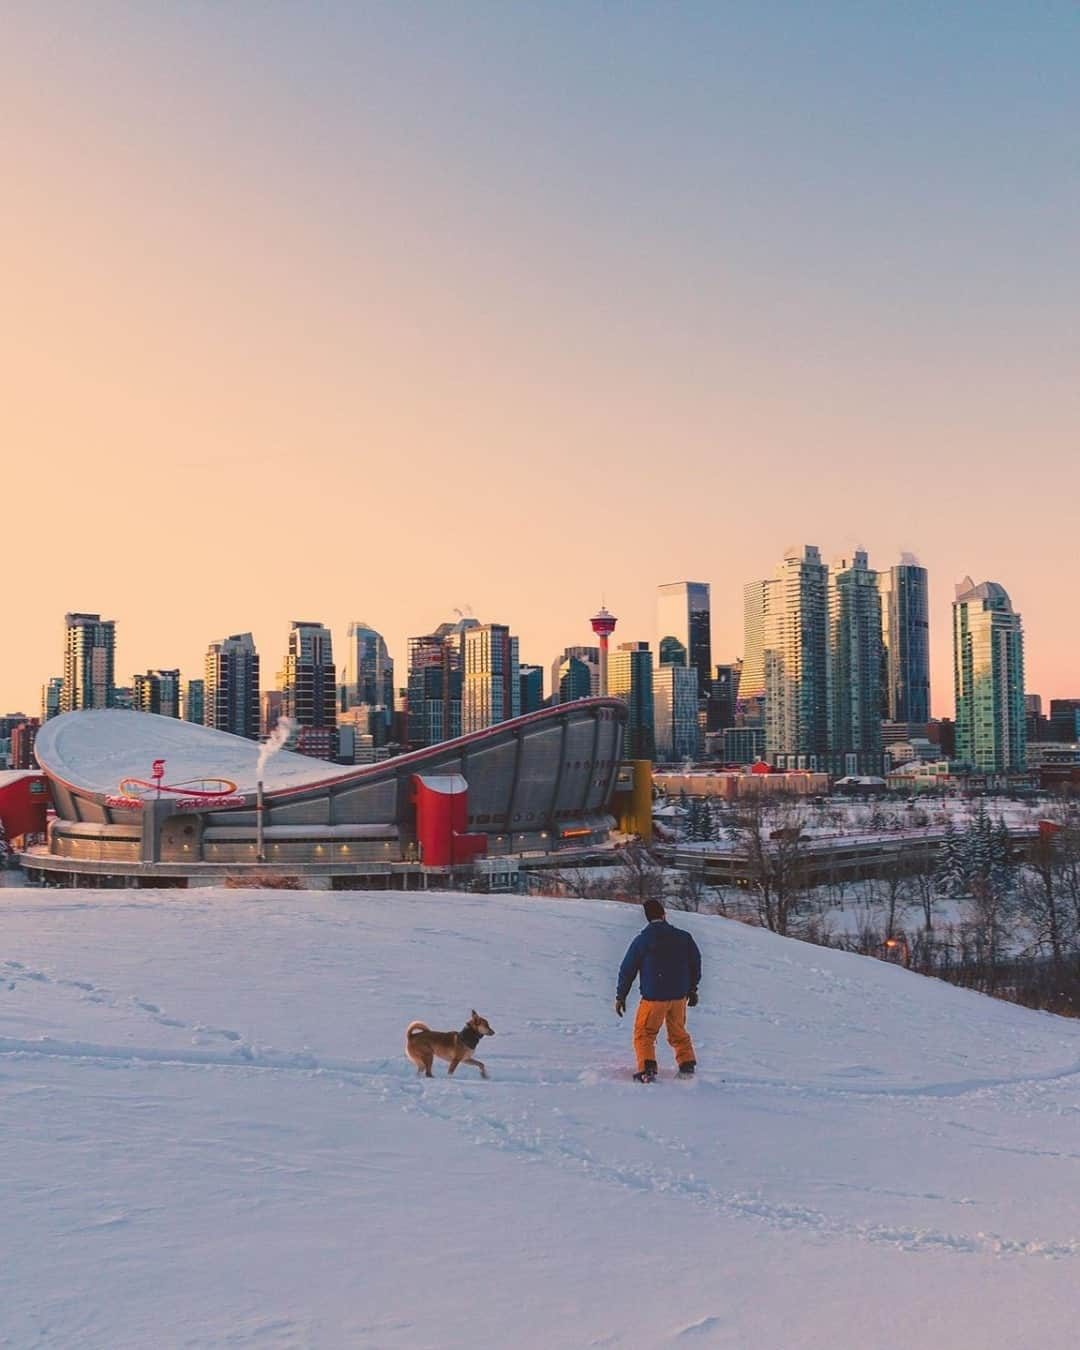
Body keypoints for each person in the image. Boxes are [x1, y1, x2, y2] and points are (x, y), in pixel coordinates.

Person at [615, 898, 701, 1082]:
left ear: (647, 918)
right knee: (678, 1031)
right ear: (664, 915)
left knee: (645, 1033)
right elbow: (695, 963)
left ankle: (647, 1069)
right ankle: (687, 1065)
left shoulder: (643, 940)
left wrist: (621, 995)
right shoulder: (683, 937)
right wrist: (692, 989)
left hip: (654, 997)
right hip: (679, 996)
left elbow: (628, 968)